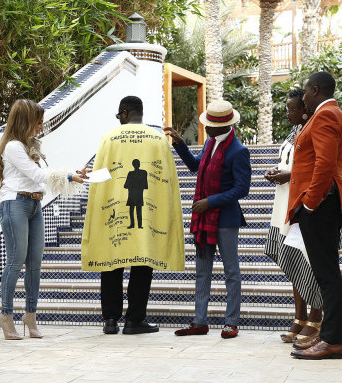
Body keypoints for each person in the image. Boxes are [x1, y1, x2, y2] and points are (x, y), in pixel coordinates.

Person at [81, 96, 184, 335]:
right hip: (148, 210)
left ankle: (110, 319)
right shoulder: (158, 139)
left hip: (114, 209)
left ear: (125, 113)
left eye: (119, 115)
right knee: (142, 264)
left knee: (111, 262)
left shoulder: (109, 138)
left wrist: (86, 176)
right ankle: (134, 320)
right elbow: (168, 179)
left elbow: (103, 174)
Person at [0, 99, 87, 340]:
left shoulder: (33, 148)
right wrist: (68, 176)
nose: (40, 127)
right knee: (15, 261)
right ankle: (6, 316)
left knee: (35, 263)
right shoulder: (13, 147)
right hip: (15, 204)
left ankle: (30, 316)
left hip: (35, 205)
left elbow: (45, 174)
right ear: (26, 121)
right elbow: (37, 175)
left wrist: (74, 174)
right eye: (38, 122)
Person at [165, 100, 251, 339]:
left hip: (225, 219)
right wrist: (180, 144)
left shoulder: (238, 151)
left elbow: (242, 189)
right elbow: (195, 166)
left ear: (222, 126)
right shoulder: (210, 143)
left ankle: (231, 323)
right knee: (202, 271)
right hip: (204, 219)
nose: (206, 127)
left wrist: (210, 202)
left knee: (231, 272)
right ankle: (199, 321)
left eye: (209, 125)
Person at [288, 72, 342, 360]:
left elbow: (324, 164)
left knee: (327, 275)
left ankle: (332, 341)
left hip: (322, 204)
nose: (303, 97)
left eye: (305, 92)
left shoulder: (325, 115)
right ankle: (327, 337)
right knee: (326, 274)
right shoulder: (328, 113)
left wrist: (310, 204)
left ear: (315, 90)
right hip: (323, 202)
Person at [263, 89, 323, 344]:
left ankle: (316, 318)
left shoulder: (314, 131)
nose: (288, 113)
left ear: (305, 110)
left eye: (293, 109)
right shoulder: (294, 132)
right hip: (284, 203)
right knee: (293, 262)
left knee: (309, 261)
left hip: (303, 204)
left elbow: (319, 168)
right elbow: (290, 163)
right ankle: (299, 318)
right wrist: (277, 171)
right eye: (287, 108)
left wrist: (289, 175)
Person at [124, 159, 148, 229]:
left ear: (133, 165)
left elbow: (126, 185)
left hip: (132, 194)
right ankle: (139, 225)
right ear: (139, 164)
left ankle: (133, 225)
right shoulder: (143, 173)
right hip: (138, 194)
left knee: (132, 210)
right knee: (138, 210)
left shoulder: (131, 174)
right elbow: (145, 185)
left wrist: (132, 185)